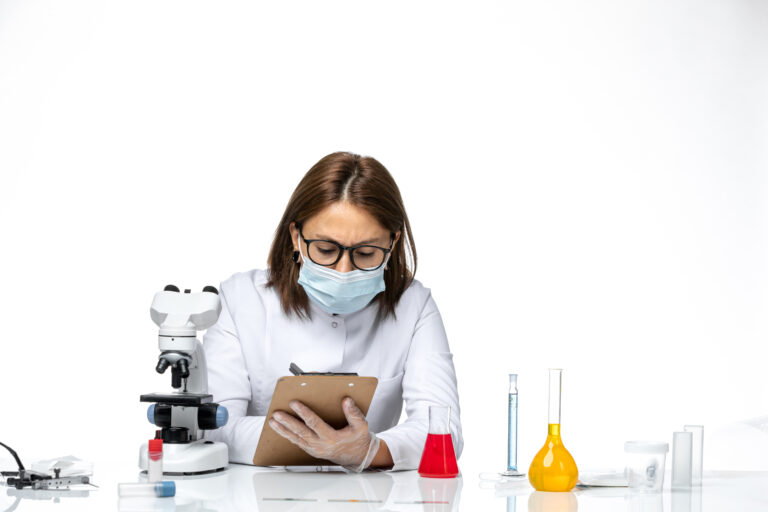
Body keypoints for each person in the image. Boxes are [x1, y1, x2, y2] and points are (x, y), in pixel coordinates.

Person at [203, 151, 462, 471]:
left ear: (392, 244)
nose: (343, 270)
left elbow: (443, 430)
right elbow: (213, 424)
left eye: (366, 253)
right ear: (296, 237)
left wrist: (371, 451)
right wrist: (321, 441)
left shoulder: (414, 306)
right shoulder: (241, 299)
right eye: (326, 250)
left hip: (369, 498)